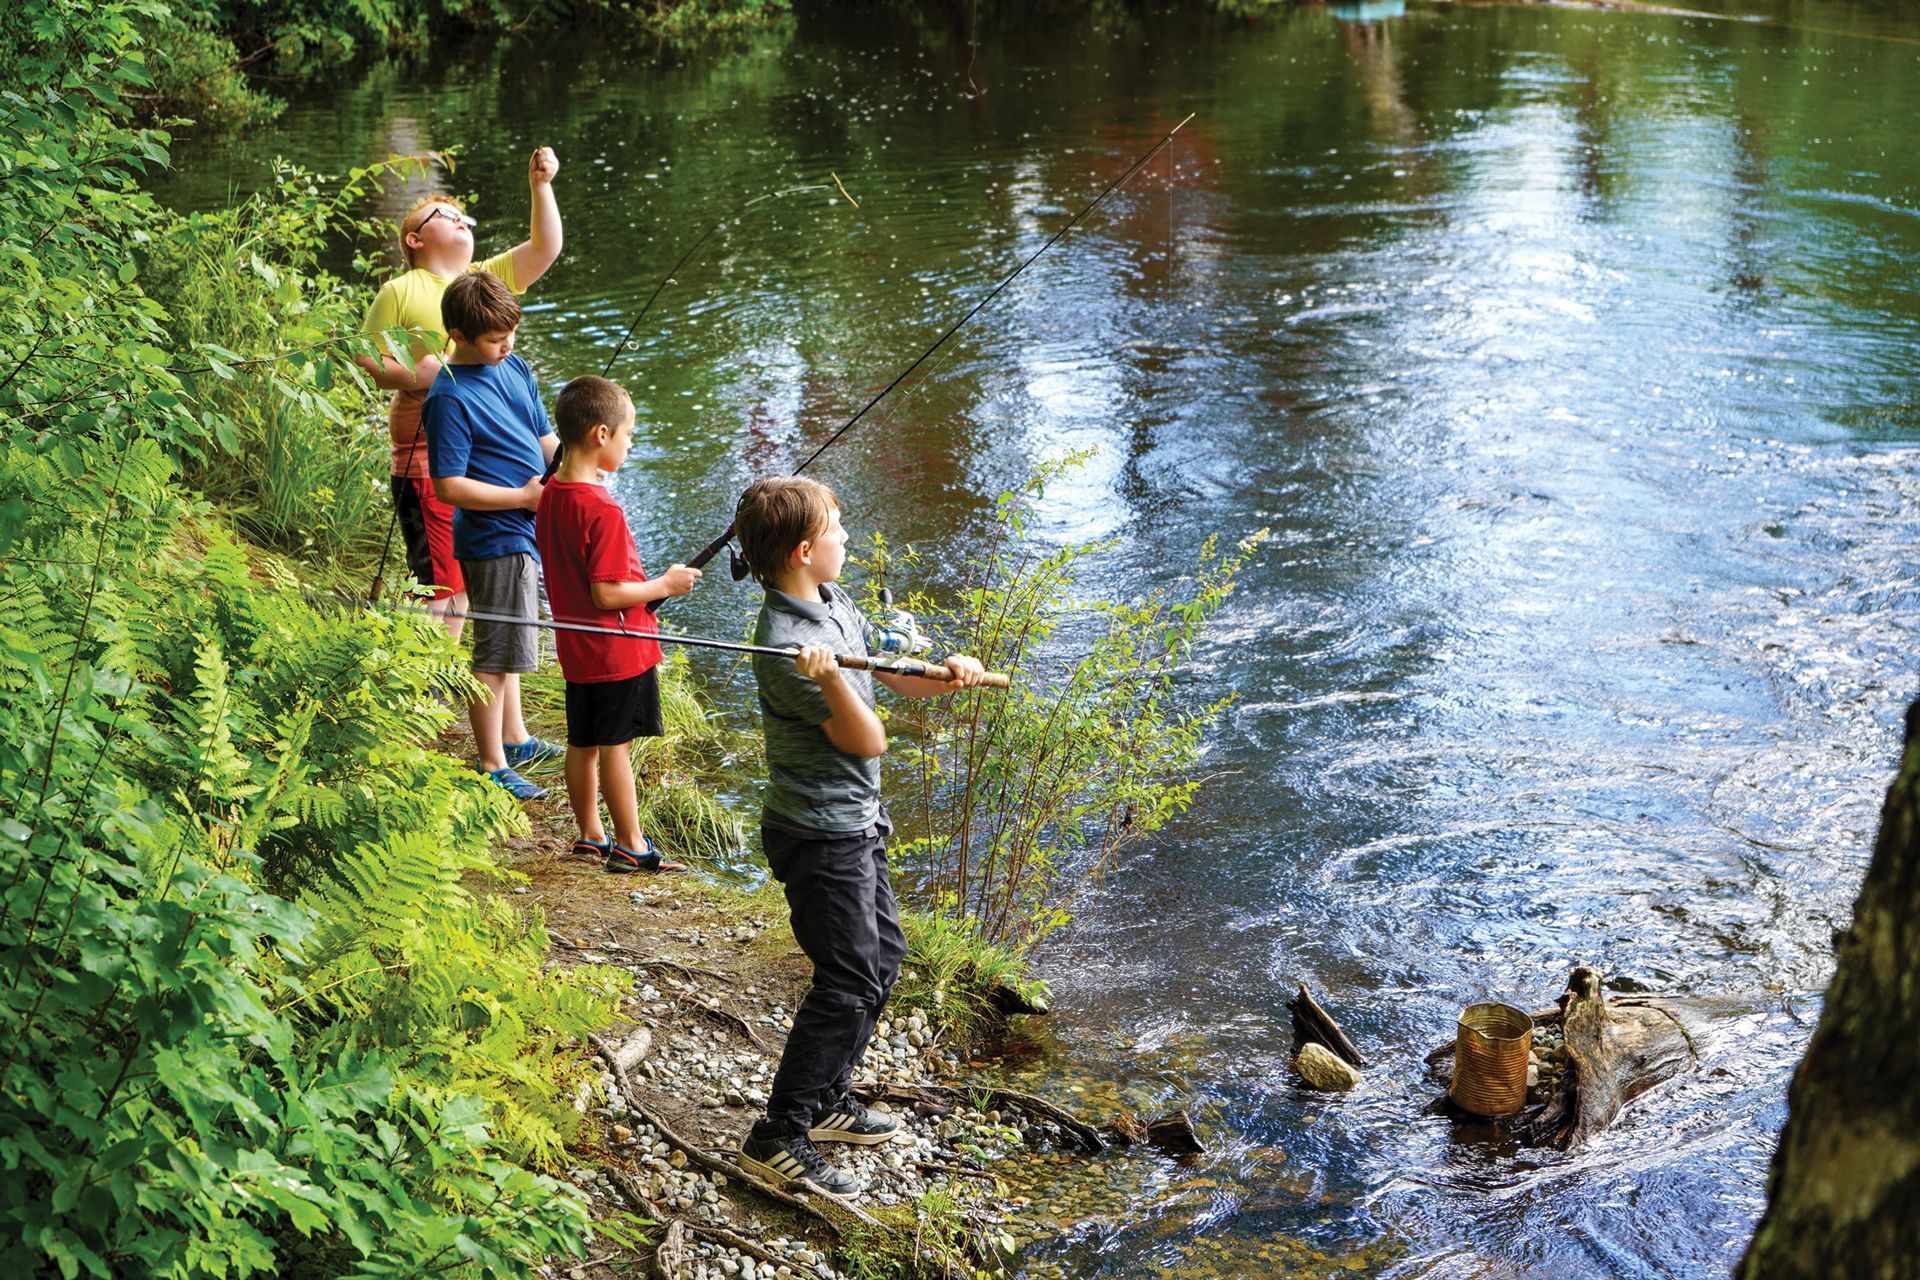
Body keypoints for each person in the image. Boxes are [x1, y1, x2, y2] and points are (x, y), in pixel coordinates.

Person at [730, 476, 985, 1200]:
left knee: (884, 962)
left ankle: (828, 1100)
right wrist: (834, 681)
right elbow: (867, 739)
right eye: (837, 528)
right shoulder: (785, 646)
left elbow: (899, 683)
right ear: (806, 550)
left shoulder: (832, 601)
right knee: (845, 981)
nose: (846, 537)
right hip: (817, 835)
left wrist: (949, 674)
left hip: (857, 822)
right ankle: (777, 1134)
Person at [358, 147, 564, 638]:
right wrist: (424, 373)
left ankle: (440, 675)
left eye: (463, 216)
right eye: (444, 215)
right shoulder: (402, 289)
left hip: (484, 453)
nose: (459, 218)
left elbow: (545, 248)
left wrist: (541, 186)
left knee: (464, 572)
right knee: (437, 581)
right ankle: (423, 683)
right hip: (427, 453)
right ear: (415, 238)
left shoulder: (480, 283)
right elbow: (367, 358)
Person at [535, 375, 701, 873]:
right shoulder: (601, 508)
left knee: (582, 742)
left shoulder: (551, 494)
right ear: (601, 435)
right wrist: (664, 585)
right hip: (615, 652)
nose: (630, 444)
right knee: (616, 748)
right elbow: (606, 593)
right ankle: (631, 843)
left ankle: (590, 835)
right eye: (629, 434)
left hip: (578, 650)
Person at [421, 271, 561, 800]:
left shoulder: (514, 366)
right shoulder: (449, 397)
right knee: (496, 653)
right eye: (494, 340)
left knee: (514, 638)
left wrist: (573, 471)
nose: (507, 347)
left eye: (511, 335)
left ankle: (516, 736)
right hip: (494, 534)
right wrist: (524, 498)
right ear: (457, 334)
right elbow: (449, 486)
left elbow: (544, 437)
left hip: (526, 527)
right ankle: (491, 762)